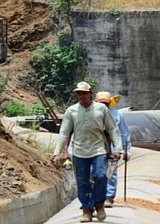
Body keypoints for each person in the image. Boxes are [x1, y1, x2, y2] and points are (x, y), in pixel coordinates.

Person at [52, 81, 123, 223]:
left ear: (91, 93)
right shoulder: (71, 111)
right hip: (79, 151)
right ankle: (86, 209)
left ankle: (99, 204)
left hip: (98, 149)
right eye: (79, 93)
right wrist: (57, 152)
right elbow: (64, 132)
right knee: (82, 182)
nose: (82, 96)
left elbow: (112, 129)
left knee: (100, 176)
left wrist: (119, 148)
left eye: (84, 93)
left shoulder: (101, 109)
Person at [94, 91, 131, 208]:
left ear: (109, 103)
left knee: (111, 172)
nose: (103, 106)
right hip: (96, 147)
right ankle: (97, 196)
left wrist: (126, 150)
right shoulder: (92, 114)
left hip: (113, 148)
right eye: (101, 103)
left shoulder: (117, 115)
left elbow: (124, 133)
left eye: (105, 103)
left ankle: (109, 197)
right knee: (96, 173)